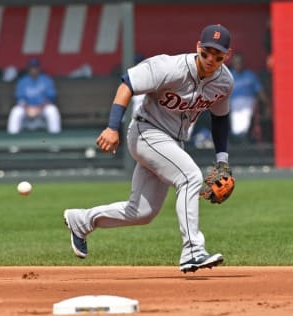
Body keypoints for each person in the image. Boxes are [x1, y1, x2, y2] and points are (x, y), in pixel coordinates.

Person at [63, 24, 234, 273]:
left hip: (172, 142)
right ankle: (193, 251)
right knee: (190, 176)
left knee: (142, 212)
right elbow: (127, 84)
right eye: (206, 52)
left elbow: (220, 118)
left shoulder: (224, 82)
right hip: (146, 131)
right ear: (198, 48)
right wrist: (112, 128)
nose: (210, 59)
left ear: (226, 56)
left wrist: (222, 160)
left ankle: (81, 221)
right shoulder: (170, 67)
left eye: (217, 55)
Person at [7, 58, 61, 134]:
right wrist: (28, 108)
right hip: (27, 109)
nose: (33, 70)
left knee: (52, 110)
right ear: (28, 69)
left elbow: (50, 98)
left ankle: (55, 141)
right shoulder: (22, 81)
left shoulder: (46, 80)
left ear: (39, 68)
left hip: (42, 108)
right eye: (32, 68)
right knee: (16, 111)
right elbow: (19, 99)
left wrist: (39, 108)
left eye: (35, 68)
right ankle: (12, 142)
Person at [228, 53, 268, 143]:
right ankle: (238, 133)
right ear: (233, 63)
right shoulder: (228, 76)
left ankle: (241, 133)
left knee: (244, 110)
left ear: (243, 63)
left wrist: (267, 105)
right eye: (236, 63)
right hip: (233, 103)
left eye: (239, 62)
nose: (238, 65)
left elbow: (260, 91)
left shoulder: (250, 75)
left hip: (248, 101)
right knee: (235, 110)